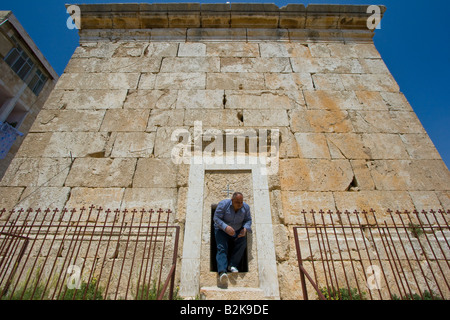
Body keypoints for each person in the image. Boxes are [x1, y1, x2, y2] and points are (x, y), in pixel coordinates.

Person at [213, 192, 252, 284]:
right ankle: (222, 271)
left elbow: (248, 220)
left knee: (242, 244)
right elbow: (216, 218)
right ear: (232, 200)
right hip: (222, 230)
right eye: (237, 202)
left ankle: (233, 265)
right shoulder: (223, 204)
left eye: (241, 202)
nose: (240, 204)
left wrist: (245, 229)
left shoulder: (245, 207)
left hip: (237, 230)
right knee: (222, 248)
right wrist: (226, 227)